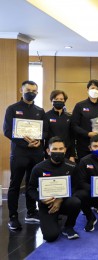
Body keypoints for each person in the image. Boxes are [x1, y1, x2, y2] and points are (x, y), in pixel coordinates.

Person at [3, 80, 45, 230]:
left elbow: (44, 131)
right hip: (19, 153)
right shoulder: (12, 109)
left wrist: (39, 141)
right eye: (28, 90)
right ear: (21, 91)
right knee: (15, 185)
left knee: (31, 184)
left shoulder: (40, 111)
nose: (31, 92)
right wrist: (24, 143)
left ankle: (31, 212)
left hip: (36, 153)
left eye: (34, 90)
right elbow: (7, 130)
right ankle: (13, 217)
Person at [27, 137, 81, 241]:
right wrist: (40, 199)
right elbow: (30, 189)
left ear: (65, 150)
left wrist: (60, 199)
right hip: (47, 205)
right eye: (55, 149)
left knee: (76, 202)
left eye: (61, 149)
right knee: (50, 237)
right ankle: (53, 220)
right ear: (48, 151)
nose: (58, 151)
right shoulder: (38, 168)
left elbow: (76, 186)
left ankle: (68, 227)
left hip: (64, 201)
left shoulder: (72, 166)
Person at [72, 79, 98, 160]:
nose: (95, 90)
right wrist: (87, 133)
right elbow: (74, 125)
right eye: (93, 88)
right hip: (84, 145)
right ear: (87, 89)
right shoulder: (80, 105)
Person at [43, 90, 76, 162]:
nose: (59, 101)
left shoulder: (69, 117)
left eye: (61, 99)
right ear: (52, 100)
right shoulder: (46, 116)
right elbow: (44, 136)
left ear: (64, 101)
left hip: (66, 152)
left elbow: (72, 137)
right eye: (56, 99)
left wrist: (72, 155)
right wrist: (44, 154)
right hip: (51, 152)